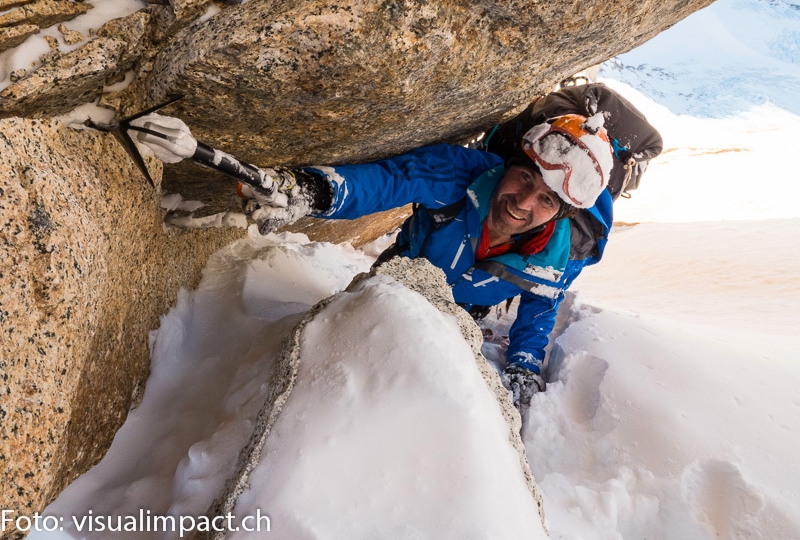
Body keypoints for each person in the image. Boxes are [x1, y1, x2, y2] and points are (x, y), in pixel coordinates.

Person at [235, 83, 662, 409]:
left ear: (561, 213)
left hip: (466, 305)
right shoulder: (462, 174)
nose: (523, 203)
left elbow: (540, 310)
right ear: (509, 164)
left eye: (546, 200)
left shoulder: (562, 255)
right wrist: (313, 191)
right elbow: (389, 180)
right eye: (525, 178)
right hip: (404, 272)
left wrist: (524, 365)